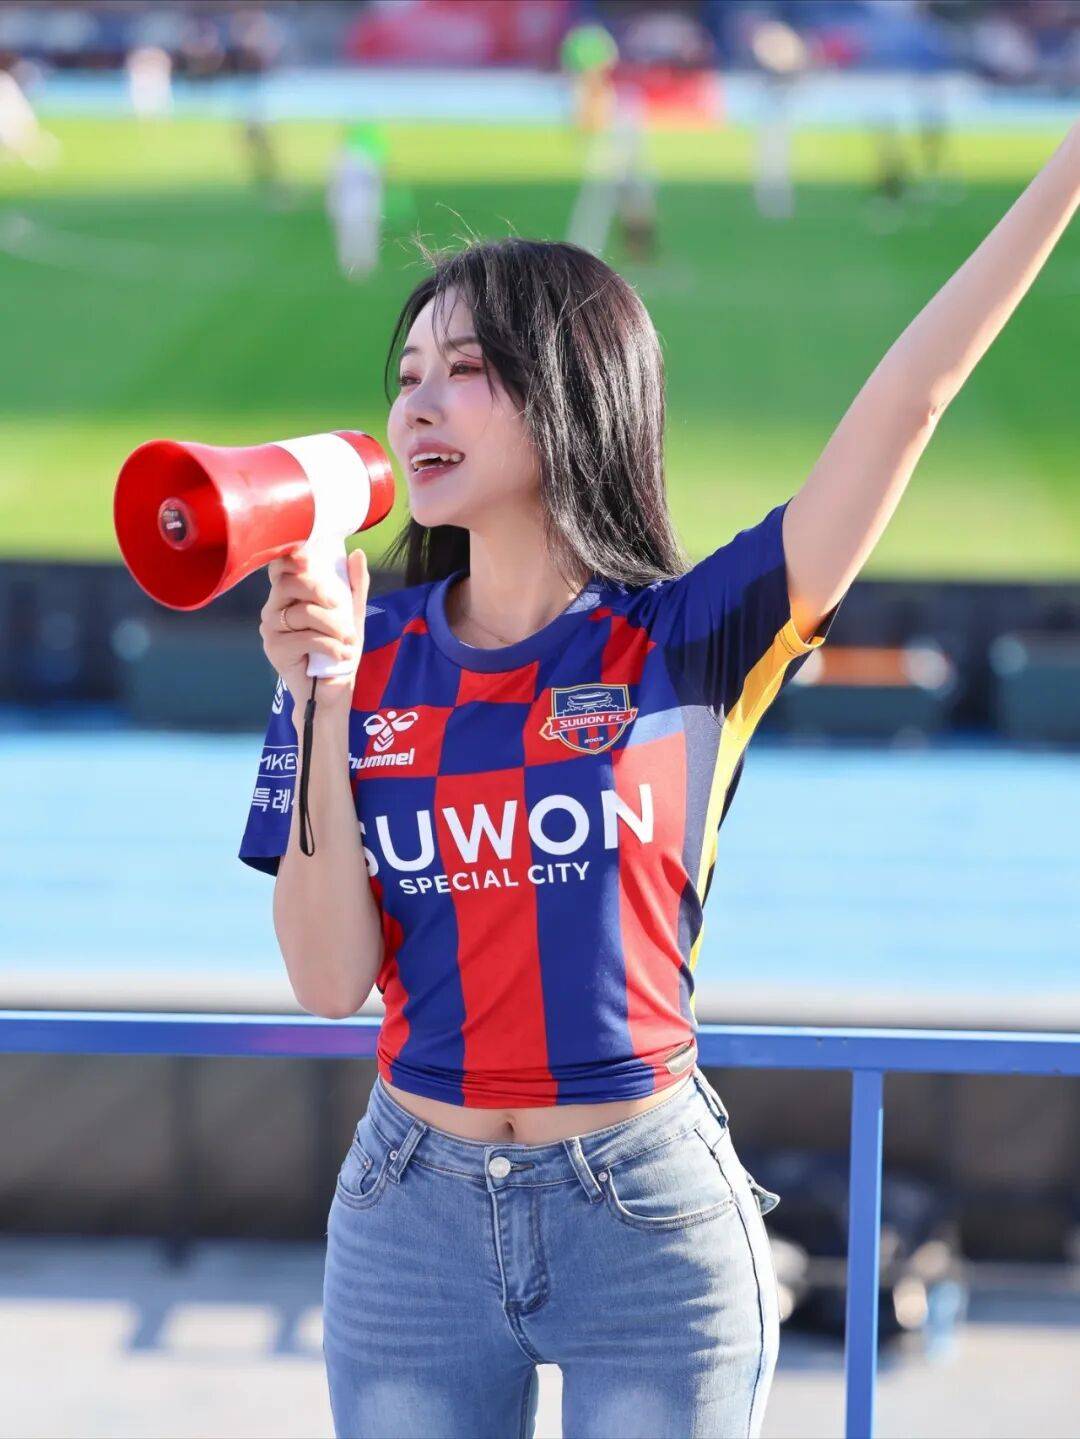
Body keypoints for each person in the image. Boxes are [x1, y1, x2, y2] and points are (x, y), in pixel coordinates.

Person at [239, 118, 1080, 1434]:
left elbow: (911, 400)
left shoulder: (690, 638)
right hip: (409, 1216)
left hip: (645, 1220)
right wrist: (315, 698)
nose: (418, 405)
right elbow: (325, 979)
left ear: (572, 395)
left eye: (467, 370)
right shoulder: (356, 647)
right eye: (408, 375)